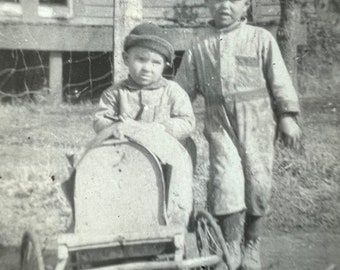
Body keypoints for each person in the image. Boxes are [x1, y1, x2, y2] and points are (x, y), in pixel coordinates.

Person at [175, 0, 302, 269]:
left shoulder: (260, 38)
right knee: (226, 183)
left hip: (257, 120)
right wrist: (168, 113)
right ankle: (230, 247)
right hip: (218, 121)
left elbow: (279, 79)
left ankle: (252, 244)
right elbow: (182, 89)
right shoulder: (199, 43)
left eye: (233, 0)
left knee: (258, 184)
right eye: (217, 0)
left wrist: (288, 116)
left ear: (246, 6)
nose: (224, 5)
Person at [93, 22, 196, 227]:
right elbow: (99, 119)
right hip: (127, 154)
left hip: (166, 154)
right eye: (140, 59)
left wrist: (165, 128)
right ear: (125, 59)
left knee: (174, 183)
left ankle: (176, 222)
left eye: (156, 62)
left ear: (165, 65)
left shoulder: (172, 91)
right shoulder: (116, 93)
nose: (147, 68)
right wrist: (115, 127)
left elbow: (187, 121)